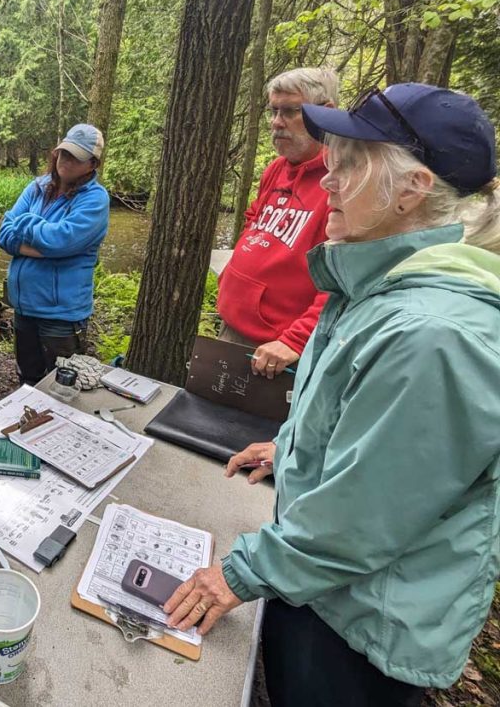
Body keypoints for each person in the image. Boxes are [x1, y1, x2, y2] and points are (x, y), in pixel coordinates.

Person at [165, 83, 500, 704]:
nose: (331, 183)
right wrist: (289, 447)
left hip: (368, 625)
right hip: (324, 588)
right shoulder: (378, 285)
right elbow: (357, 419)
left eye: (351, 167)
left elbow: (365, 517)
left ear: (413, 187)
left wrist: (236, 576)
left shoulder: (435, 335)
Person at [217, 68, 338, 379]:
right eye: (273, 111)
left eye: (290, 111)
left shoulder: (340, 183)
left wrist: (295, 340)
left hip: (278, 352)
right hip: (233, 329)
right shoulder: (276, 170)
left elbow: (341, 280)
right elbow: (254, 222)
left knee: (255, 428)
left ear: (325, 114)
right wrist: (233, 277)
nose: (276, 122)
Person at [0, 124, 110, 385]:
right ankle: (30, 422)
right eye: (64, 153)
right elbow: (4, 236)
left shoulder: (94, 199)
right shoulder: (37, 187)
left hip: (60, 314)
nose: (66, 162)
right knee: (28, 377)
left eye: (76, 158)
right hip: (25, 307)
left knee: (61, 384)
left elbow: (60, 240)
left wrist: (25, 223)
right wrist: (45, 250)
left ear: (92, 164)